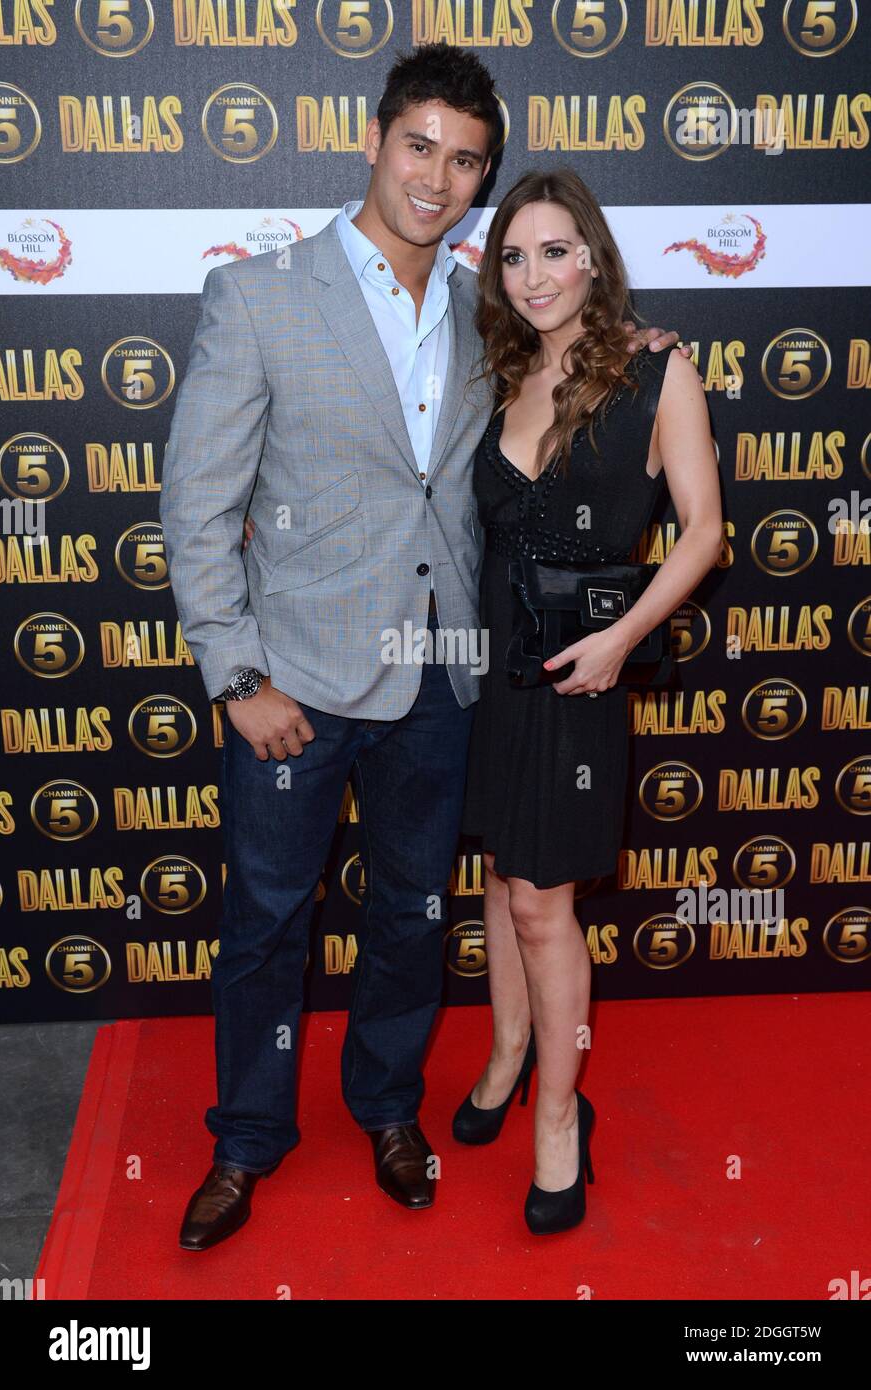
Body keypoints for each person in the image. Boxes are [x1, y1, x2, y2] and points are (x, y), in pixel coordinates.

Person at [160, 41, 688, 1252]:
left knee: (407, 914)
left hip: (443, 679)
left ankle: (388, 1109)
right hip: (291, 683)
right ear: (374, 139)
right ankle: (245, 1139)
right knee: (265, 925)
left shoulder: (484, 306)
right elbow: (194, 506)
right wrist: (236, 674)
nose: (437, 179)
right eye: (418, 148)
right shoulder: (260, 296)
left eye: (464, 162)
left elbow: (575, 375)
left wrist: (637, 350)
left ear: (480, 175)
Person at [453, 169, 722, 1234]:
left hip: (580, 673)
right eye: (513, 256)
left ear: (594, 259)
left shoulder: (657, 374)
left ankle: (559, 1115)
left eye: (555, 251)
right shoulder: (498, 372)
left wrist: (621, 637)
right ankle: (508, 1051)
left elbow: (701, 530)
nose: (533, 275)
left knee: (540, 901)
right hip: (490, 673)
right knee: (498, 875)